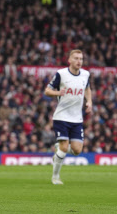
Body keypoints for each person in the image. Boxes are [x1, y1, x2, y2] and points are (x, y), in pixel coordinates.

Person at [44, 49, 92, 185]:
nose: (79, 61)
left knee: (77, 150)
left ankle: (58, 150)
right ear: (69, 60)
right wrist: (58, 92)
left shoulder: (86, 74)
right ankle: (55, 177)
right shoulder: (61, 74)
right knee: (64, 147)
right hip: (61, 116)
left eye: (81, 59)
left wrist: (89, 101)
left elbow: (88, 88)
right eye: (76, 58)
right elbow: (47, 90)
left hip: (77, 118)